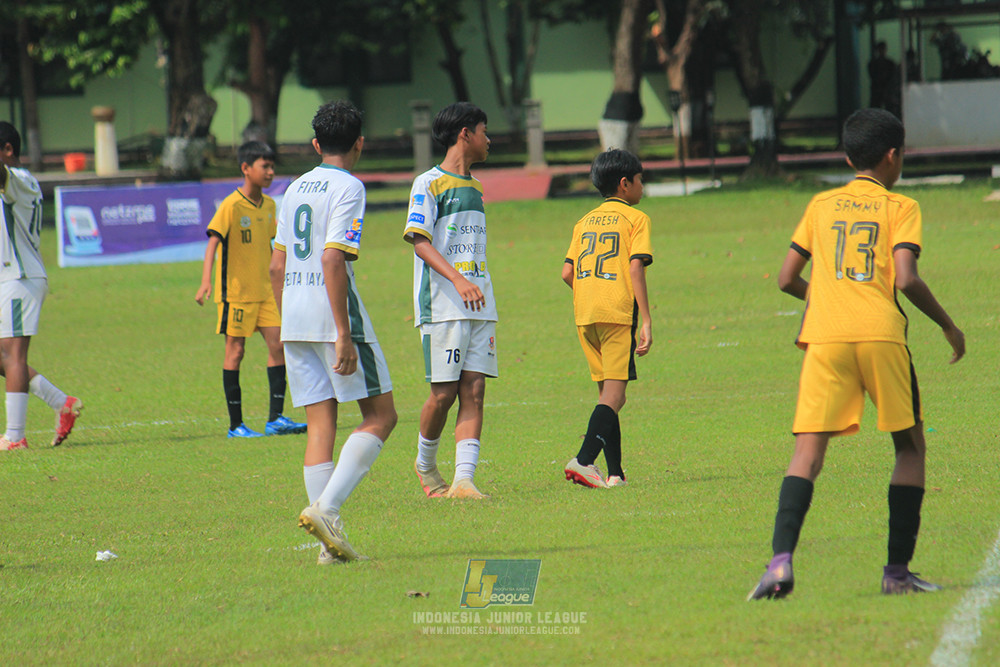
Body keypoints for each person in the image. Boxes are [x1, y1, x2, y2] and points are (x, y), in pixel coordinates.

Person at [748, 109, 965, 600]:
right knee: (909, 447)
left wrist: (827, 298)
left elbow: (785, 278)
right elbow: (905, 277)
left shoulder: (821, 204)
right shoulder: (900, 206)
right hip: (880, 336)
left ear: (848, 157)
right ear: (894, 155)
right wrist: (949, 327)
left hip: (824, 338)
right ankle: (896, 573)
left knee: (807, 451)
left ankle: (779, 563)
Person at [270, 100, 397, 563]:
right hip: (331, 316)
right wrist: (343, 331)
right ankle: (328, 508)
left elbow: (277, 263)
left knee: (319, 425)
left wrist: (290, 320)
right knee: (382, 416)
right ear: (359, 143)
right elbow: (332, 257)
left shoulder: (294, 187)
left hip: (295, 319)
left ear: (315, 144)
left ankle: (328, 547)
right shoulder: (349, 186)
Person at [404, 102, 497, 500]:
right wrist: (458, 280)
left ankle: (464, 481)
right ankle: (425, 464)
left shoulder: (475, 185)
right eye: (483, 130)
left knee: (474, 390)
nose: (488, 139)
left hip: (480, 301)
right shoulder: (428, 183)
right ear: (465, 134)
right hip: (443, 304)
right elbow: (419, 241)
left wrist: (473, 283)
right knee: (443, 394)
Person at [195, 141, 305, 438]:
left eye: (272, 167)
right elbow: (213, 243)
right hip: (237, 294)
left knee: (279, 346)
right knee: (236, 351)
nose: (270, 172)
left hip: (266, 292)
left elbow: (272, 245)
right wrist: (206, 281)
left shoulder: (269, 206)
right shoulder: (231, 205)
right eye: (264, 166)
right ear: (246, 169)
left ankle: (276, 419)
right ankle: (235, 425)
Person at [561, 149, 653, 489]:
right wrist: (646, 318)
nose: (643, 187)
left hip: (585, 315)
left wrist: (591, 291)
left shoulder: (583, 221)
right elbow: (634, 267)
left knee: (608, 396)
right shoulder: (635, 219)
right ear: (625, 183)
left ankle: (615, 473)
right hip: (615, 312)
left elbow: (567, 272)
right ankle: (583, 461)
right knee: (615, 396)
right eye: (641, 180)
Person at [0, 121, 83, 451]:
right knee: (5, 356)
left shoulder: (18, 179)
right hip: (9, 278)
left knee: (14, 354)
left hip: (21, 278)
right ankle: (62, 402)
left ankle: (15, 436)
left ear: (7, 151)